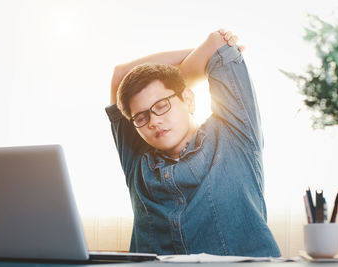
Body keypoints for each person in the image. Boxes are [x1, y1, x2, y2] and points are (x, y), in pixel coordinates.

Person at [105, 29, 281, 257]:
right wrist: (192, 60)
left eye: (161, 105)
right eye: (141, 117)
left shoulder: (233, 134)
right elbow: (121, 76)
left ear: (188, 99)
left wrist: (179, 70)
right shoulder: (137, 161)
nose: (154, 121)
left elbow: (217, 45)